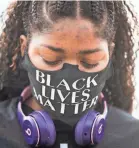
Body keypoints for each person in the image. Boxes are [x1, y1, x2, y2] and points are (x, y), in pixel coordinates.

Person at [0, 1, 139, 148]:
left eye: (90, 62)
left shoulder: (133, 138)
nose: (68, 76)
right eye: (50, 59)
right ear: (24, 47)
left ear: (110, 54)